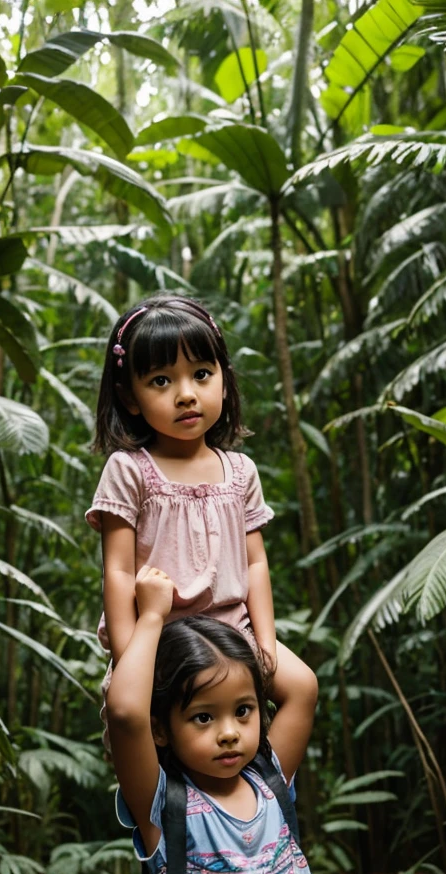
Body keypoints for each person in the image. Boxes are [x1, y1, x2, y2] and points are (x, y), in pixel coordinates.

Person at [86, 295, 318, 743]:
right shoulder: (129, 470)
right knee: (129, 712)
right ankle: (154, 814)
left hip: (233, 631)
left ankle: (263, 802)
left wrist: (266, 646)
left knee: (302, 687)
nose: (186, 393)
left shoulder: (241, 472)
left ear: (225, 383)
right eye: (160, 380)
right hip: (161, 638)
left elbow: (255, 564)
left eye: (201, 374)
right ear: (129, 398)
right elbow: (117, 571)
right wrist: (129, 653)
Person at [107, 565, 332, 874]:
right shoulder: (162, 805)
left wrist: (229, 610)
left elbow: (302, 687)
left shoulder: (269, 778)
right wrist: (152, 617)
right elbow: (127, 711)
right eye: (203, 718)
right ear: (162, 731)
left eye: (244, 711)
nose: (230, 733)